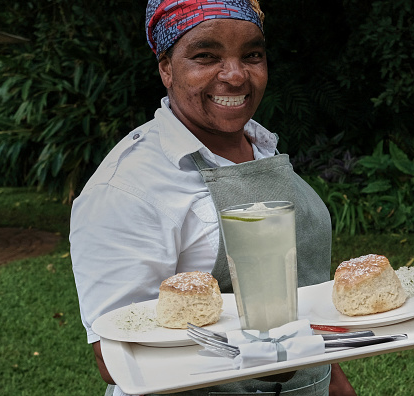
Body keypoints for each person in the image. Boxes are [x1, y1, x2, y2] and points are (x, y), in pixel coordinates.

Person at [70, 1, 357, 395]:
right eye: (206, 56)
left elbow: (303, 288)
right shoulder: (125, 189)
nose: (236, 75)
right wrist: (259, 355)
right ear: (166, 67)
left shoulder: (261, 146)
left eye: (252, 55)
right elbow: (116, 355)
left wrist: (330, 378)